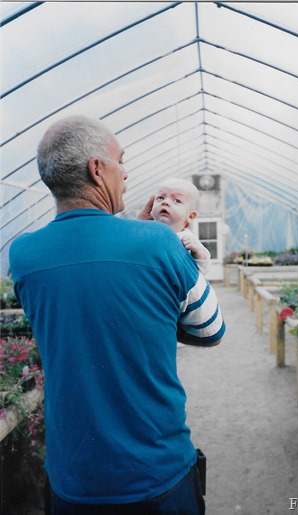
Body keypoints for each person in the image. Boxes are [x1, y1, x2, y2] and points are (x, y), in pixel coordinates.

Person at [9, 115, 225, 514]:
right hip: (156, 475)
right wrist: (181, 260)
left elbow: (87, 302)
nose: (126, 174)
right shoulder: (159, 242)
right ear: (97, 169)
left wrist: (134, 234)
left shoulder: (23, 255)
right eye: (120, 162)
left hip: (71, 479)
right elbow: (211, 331)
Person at [149, 178, 211, 275]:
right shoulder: (146, 232)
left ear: (190, 216)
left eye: (177, 201)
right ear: (151, 210)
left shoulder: (188, 240)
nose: (165, 202)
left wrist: (198, 254)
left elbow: (204, 270)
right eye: (160, 198)